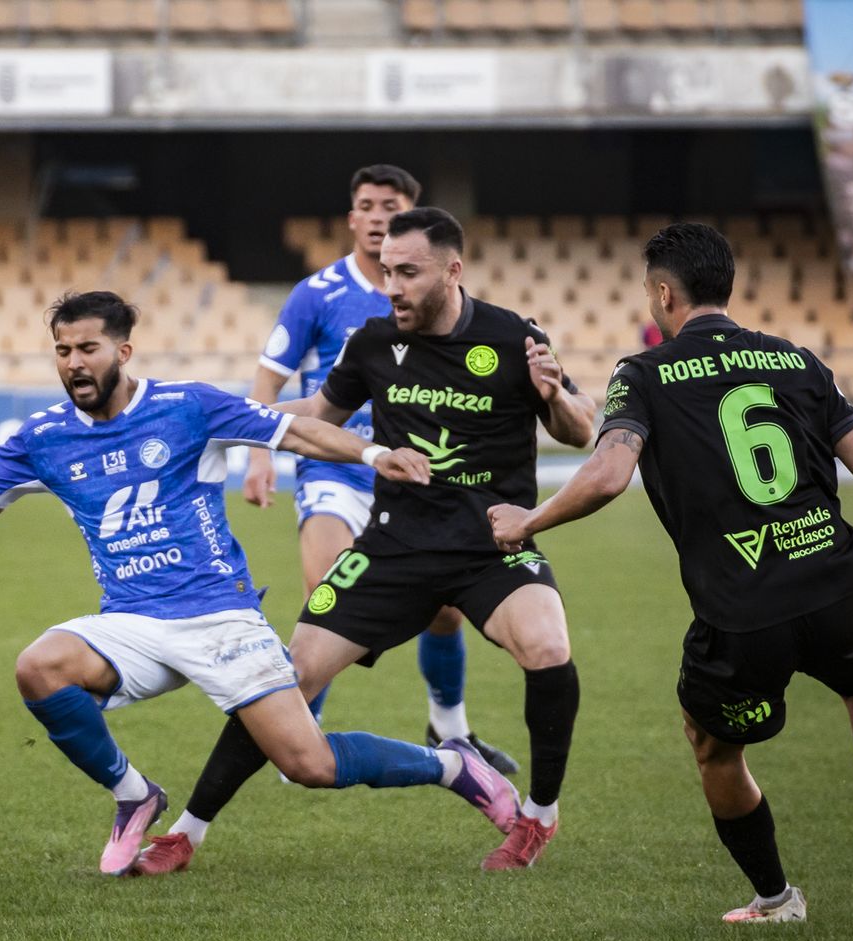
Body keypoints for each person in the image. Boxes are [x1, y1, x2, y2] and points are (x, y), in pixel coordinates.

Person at [0, 291, 521, 876]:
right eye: (63, 351)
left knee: (309, 765)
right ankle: (134, 796)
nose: (74, 363)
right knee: (39, 667)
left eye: (87, 348)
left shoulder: (187, 406)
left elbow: (295, 430)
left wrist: (374, 454)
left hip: (220, 616)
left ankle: (450, 765)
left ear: (123, 352)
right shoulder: (43, 437)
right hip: (131, 622)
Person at [487, 222, 853, 923]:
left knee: (712, 744)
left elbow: (607, 475)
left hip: (744, 607)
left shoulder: (643, 374)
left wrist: (527, 522)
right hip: (833, 580)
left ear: (665, 293)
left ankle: (776, 899)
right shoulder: (796, 359)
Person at [136, 208, 595, 877]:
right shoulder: (374, 342)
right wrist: (215, 420)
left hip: (491, 545)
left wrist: (553, 397)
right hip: (393, 548)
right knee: (288, 677)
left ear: (453, 271)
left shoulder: (512, 336)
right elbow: (317, 415)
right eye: (386, 272)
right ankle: (185, 834)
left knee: (548, 645)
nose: (392, 287)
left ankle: (538, 816)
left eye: (408, 273)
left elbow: (580, 430)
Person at [242, 163, 517, 775]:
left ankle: (451, 729)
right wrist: (259, 451)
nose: (375, 217)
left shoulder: (433, 294)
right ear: (351, 217)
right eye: (365, 206)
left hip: (415, 476)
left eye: (388, 207)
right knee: (327, 591)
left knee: (446, 607)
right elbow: (269, 377)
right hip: (336, 470)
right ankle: (300, 738)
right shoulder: (318, 293)